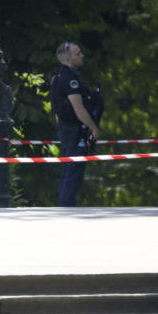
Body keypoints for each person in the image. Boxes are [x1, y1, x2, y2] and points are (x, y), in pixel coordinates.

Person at [50, 41, 102, 207]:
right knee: (73, 173)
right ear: (68, 59)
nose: (82, 56)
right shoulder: (70, 79)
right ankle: (67, 209)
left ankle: (65, 207)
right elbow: (78, 108)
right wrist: (93, 127)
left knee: (68, 171)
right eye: (78, 54)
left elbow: (57, 111)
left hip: (66, 130)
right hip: (73, 132)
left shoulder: (57, 76)